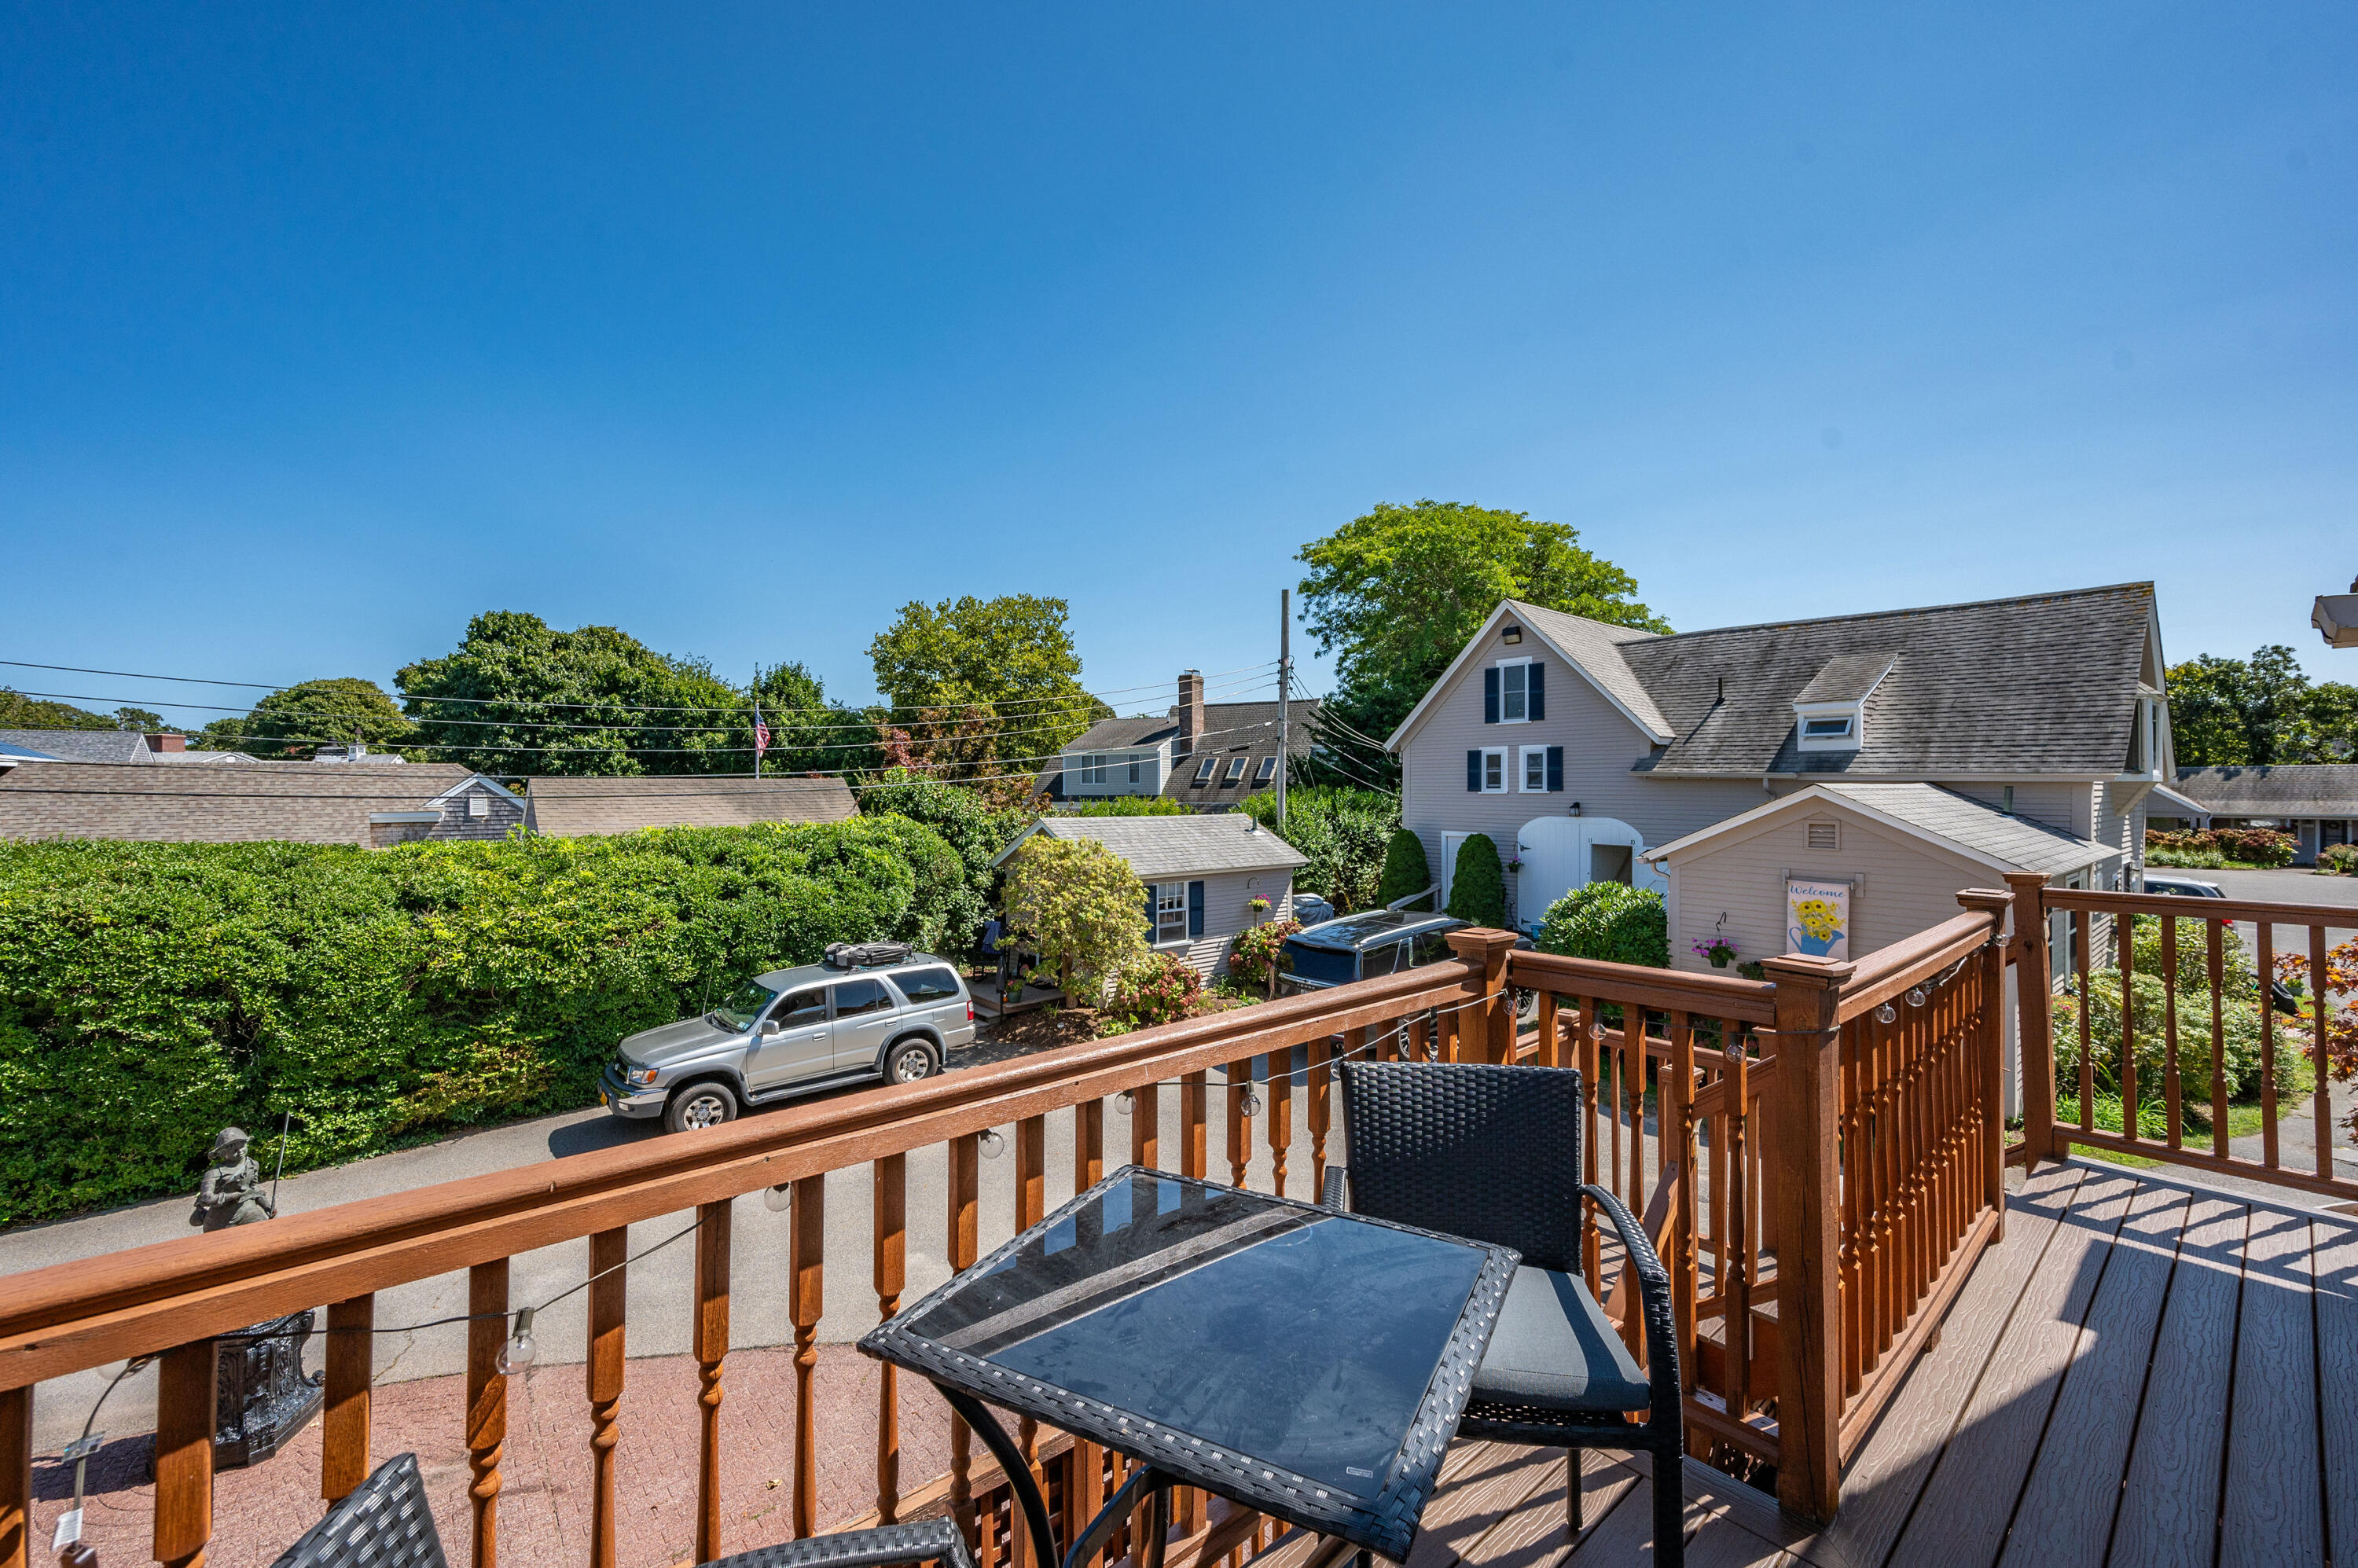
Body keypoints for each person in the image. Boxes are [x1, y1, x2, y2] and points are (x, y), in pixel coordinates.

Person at [190, 1126, 277, 1232]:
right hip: (221, 1219)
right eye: (234, 1150)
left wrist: (267, 1207)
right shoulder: (214, 1173)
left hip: (248, 1211)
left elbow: (254, 1188)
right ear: (223, 1153)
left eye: (242, 1146)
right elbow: (207, 1199)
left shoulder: (252, 1164)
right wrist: (236, 1195)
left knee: (263, 1231)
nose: (240, 1151)